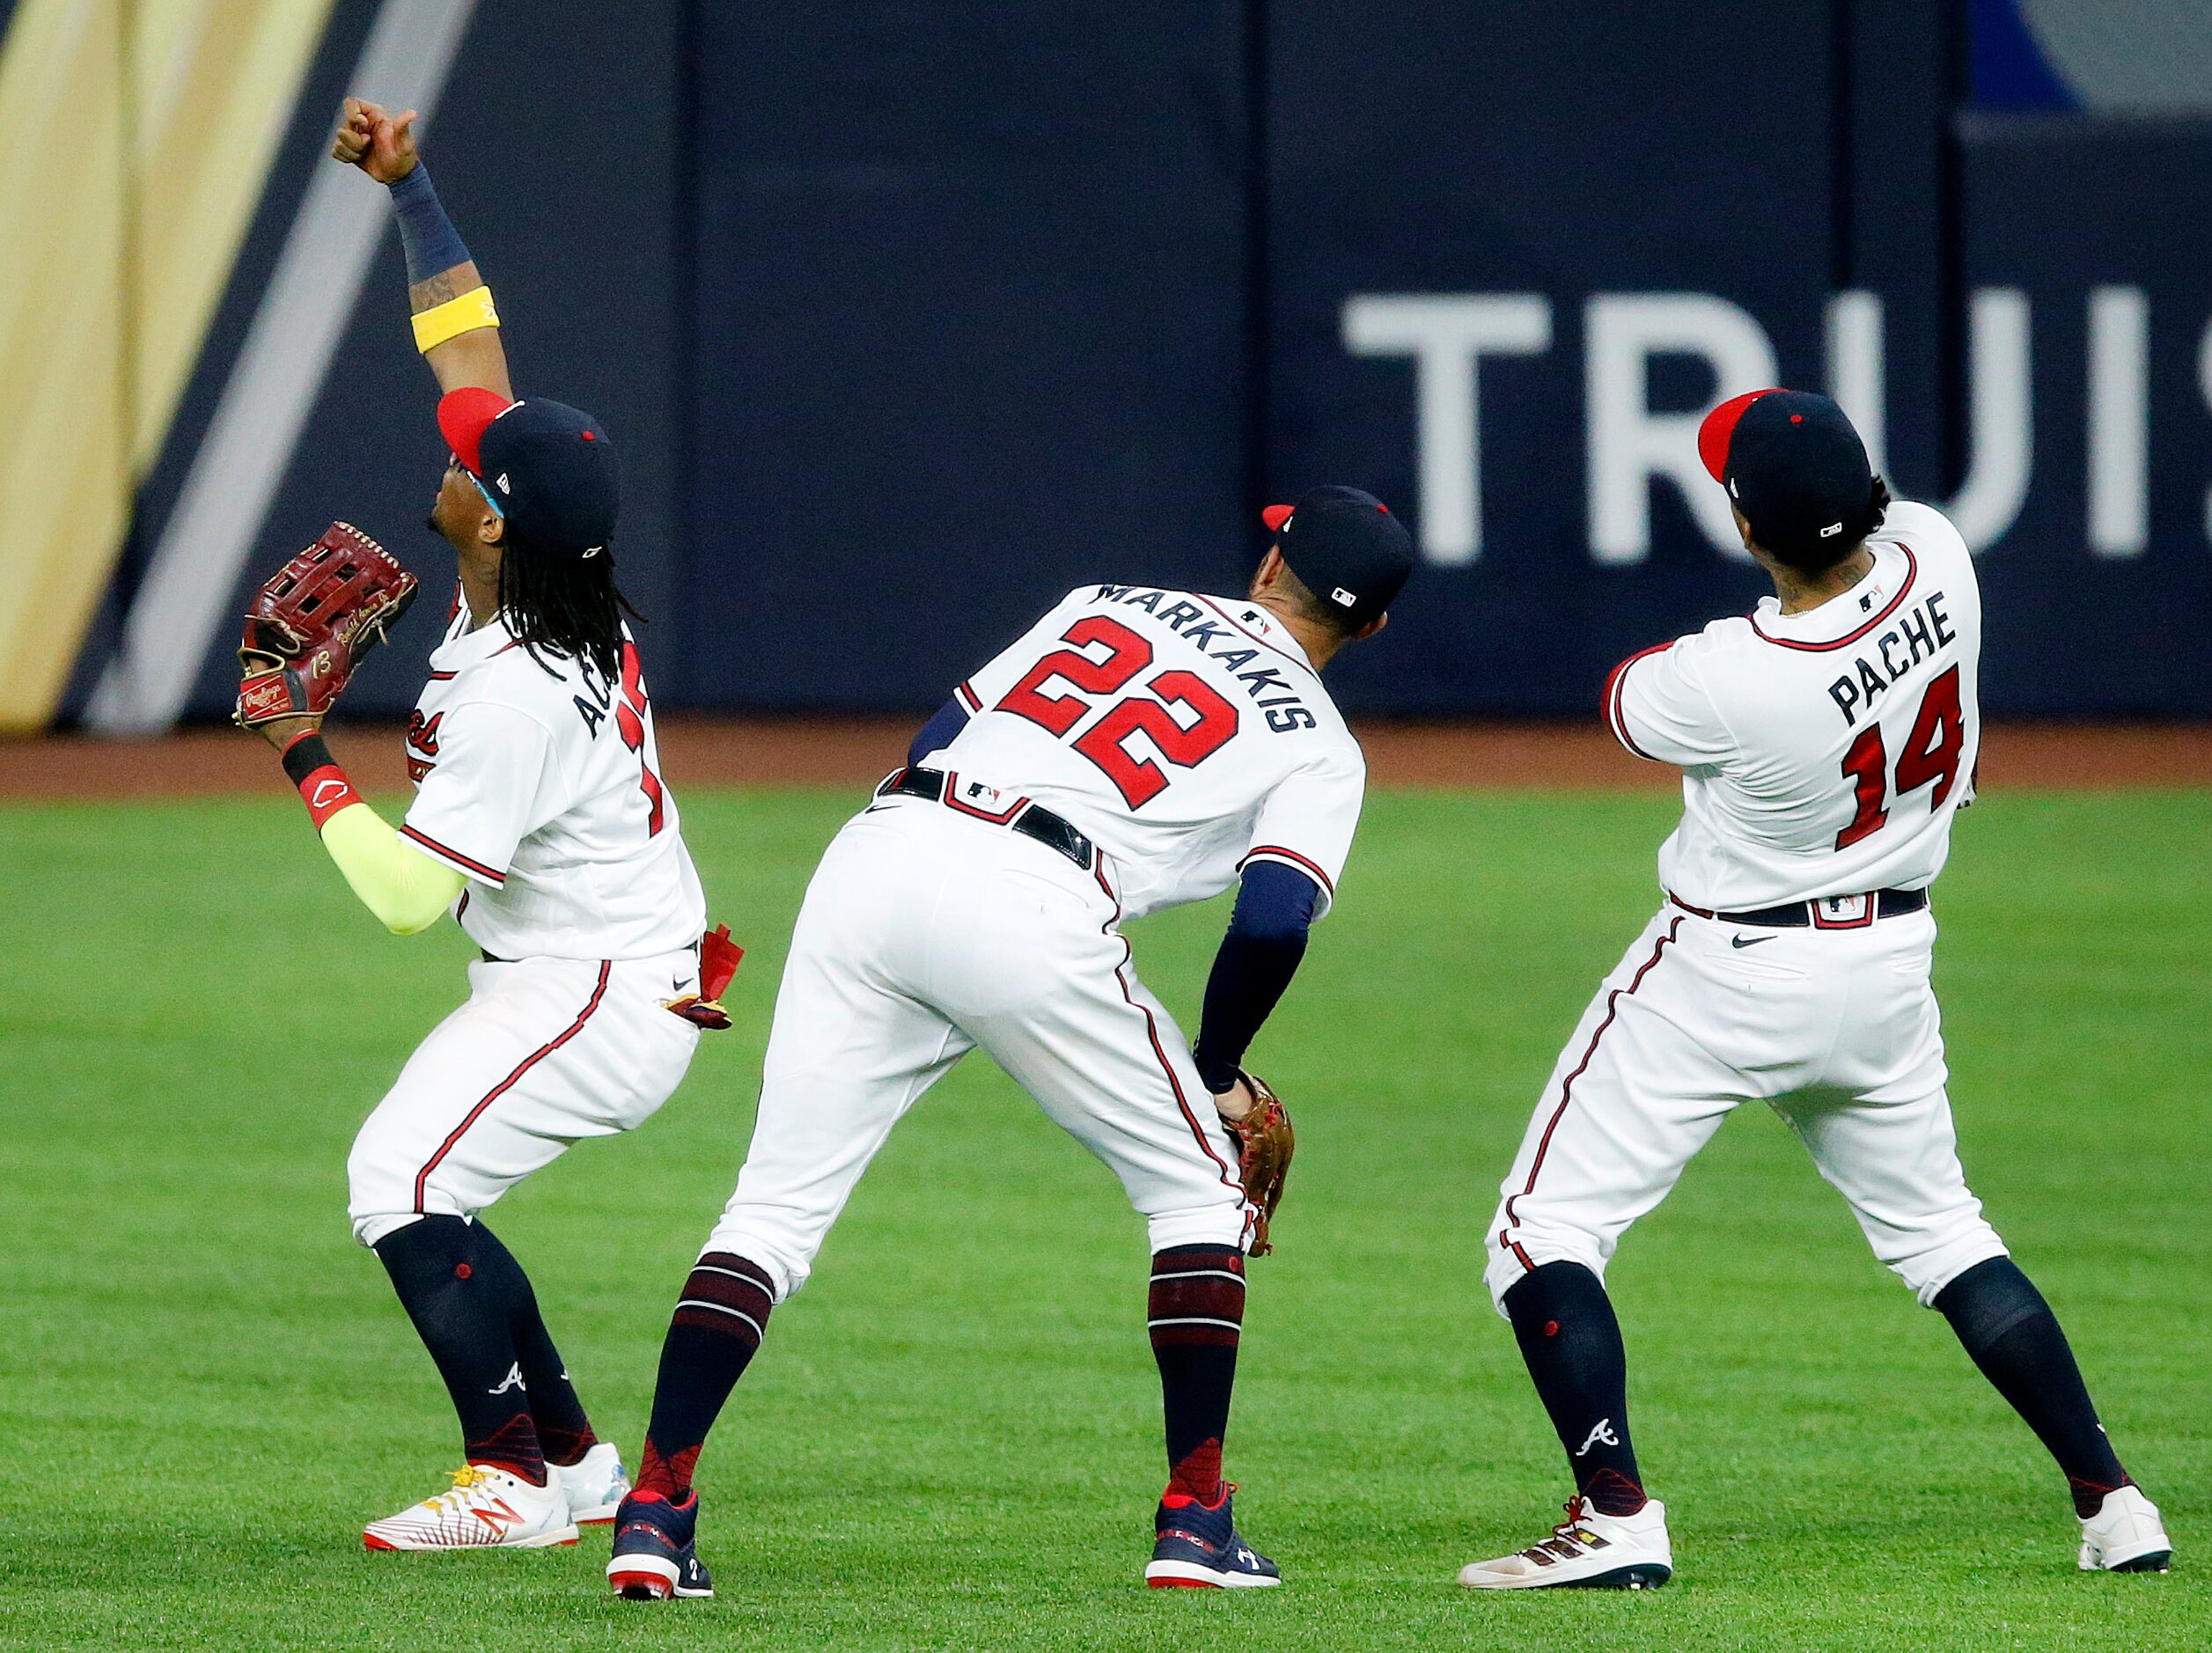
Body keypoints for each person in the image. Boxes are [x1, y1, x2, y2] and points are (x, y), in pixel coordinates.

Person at [603, 489, 1415, 1599]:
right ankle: (1195, 1523)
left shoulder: (1108, 598)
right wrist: (1214, 1073)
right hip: (1034, 897)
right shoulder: (1321, 745)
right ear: (1369, 627)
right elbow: (1273, 915)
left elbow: (937, 737)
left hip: (882, 849)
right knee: (1196, 1196)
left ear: (1270, 557)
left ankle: (653, 1512)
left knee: (773, 1209)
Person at [1458, 389, 2171, 1589]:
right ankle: (2115, 1500)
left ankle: (1617, 1515)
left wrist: (1757, 610)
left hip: (1726, 970)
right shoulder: (1937, 555)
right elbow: (1863, 552)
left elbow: (1624, 698)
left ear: (1746, 528)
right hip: (1888, 967)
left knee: (1539, 1232)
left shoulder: (1734, 676)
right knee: (1945, 1235)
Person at [241, 98, 722, 1550]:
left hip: (600, 988)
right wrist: (412, 190)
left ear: (497, 522)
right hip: (585, 963)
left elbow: (401, 897)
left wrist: (301, 746)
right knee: (431, 1180)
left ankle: (510, 1477)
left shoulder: (524, 685)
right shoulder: (533, 575)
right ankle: (567, 1459)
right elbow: (470, 359)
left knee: (400, 1176)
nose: (450, 463)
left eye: (472, 472)